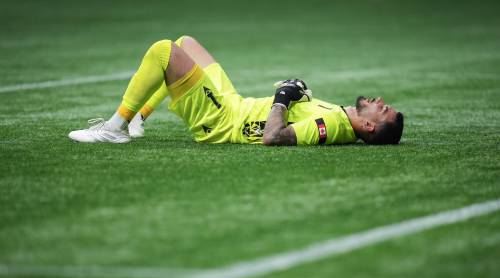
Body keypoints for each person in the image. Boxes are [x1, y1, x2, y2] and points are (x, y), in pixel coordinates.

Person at [68, 36, 404, 146]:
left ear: (371, 126)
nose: (379, 102)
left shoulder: (332, 127)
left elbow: (274, 137)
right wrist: (297, 92)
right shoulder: (341, 115)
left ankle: (115, 128)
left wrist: (284, 97)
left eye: (383, 109)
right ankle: (140, 117)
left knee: (164, 51)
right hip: (234, 102)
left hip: (222, 120)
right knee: (186, 43)